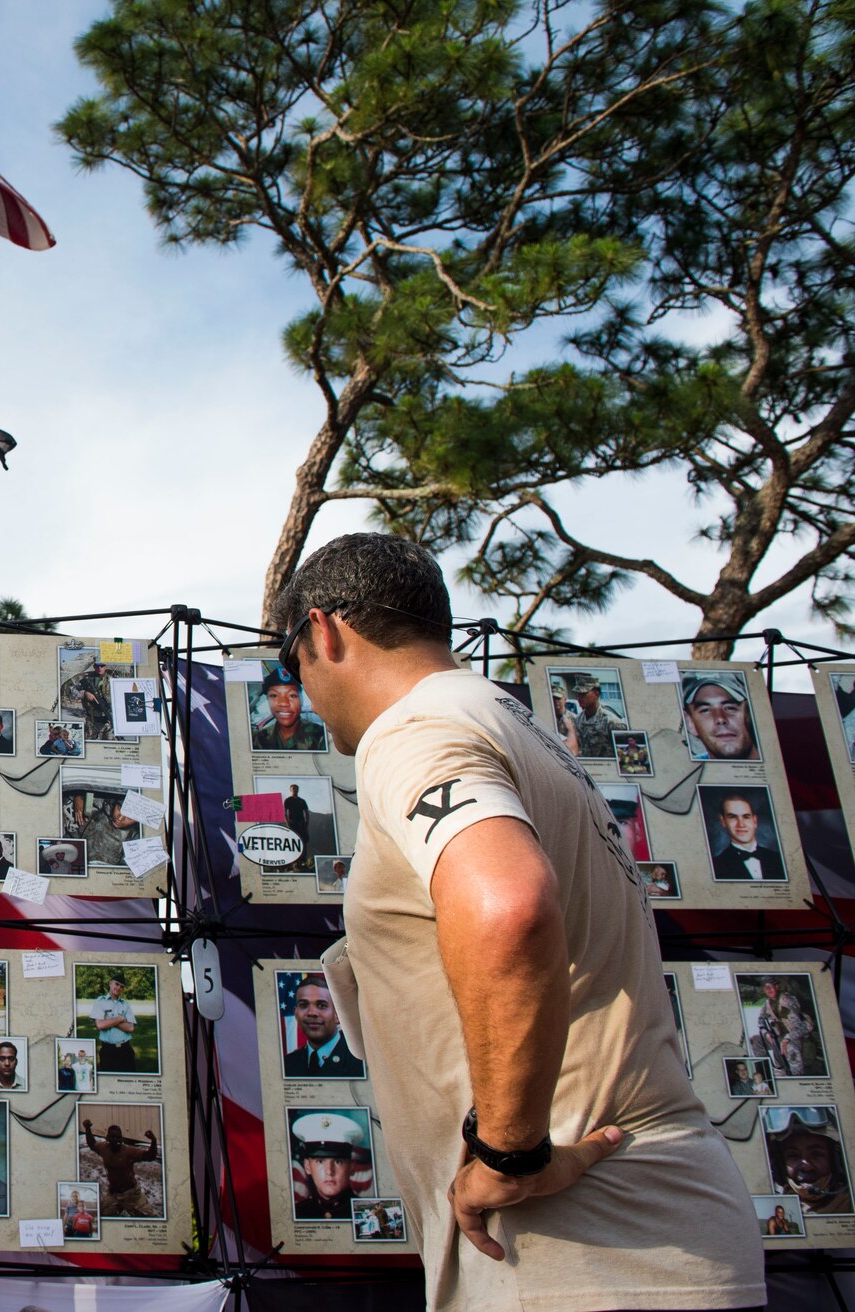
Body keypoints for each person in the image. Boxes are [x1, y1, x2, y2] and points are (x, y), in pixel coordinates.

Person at [272, 531, 761, 1309]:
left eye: (285, 663)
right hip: (647, 1227)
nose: (295, 682)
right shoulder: (512, 722)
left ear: (322, 632)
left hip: (577, 1249)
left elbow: (509, 906)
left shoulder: (415, 730)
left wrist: (510, 1151)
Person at [766, 1107, 851, 1215]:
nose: (806, 1167)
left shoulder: (849, 1204)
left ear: (836, 1160)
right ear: (780, 1164)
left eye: (816, 1154)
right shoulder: (774, 1208)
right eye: (793, 1155)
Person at [283, 974, 364, 1078]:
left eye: (322, 1005)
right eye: (304, 1005)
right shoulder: (288, 1064)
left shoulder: (360, 1061)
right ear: (296, 1014)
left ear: (338, 1015)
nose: (312, 1012)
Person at [290, 1111, 365, 1220]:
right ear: (307, 1166)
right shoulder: (297, 1213)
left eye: (338, 1161)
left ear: (351, 1167)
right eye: (320, 1161)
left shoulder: (368, 1214)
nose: (329, 1171)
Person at [82, 1120, 159, 1217]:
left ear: (122, 1139)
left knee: (149, 1218)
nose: (116, 1140)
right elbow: (92, 1144)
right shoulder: (103, 1148)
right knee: (101, 1215)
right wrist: (88, 1129)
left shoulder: (129, 1151)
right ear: (107, 1138)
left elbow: (150, 1156)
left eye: (118, 1137)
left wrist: (154, 1141)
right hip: (114, 1194)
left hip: (132, 1194)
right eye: (113, 1137)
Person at [710, 791, 786, 882]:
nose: (741, 824)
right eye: (733, 817)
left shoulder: (780, 860)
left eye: (746, 817)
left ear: (754, 821)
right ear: (723, 821)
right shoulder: (715, 867)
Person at [683, 673, 759, 761]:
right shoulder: (683, 770)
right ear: (690, 723)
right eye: (705, 710)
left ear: (750, 713)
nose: (720, 719)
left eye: (730, 708)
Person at [252, 664, 328, 751]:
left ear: (301, 700)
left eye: (292, 695)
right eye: (274, 695)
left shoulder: (320, 737)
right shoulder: (260, 738)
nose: (284, 703)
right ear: (268, 700)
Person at [557, 672, 628, 759]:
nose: (579, 697)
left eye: (583, 694)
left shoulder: (612, 722)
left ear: (596, 694)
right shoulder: (578, 720)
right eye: (578, 694)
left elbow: (623, 754)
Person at [90, 972, 138, 1074]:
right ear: (110, 983)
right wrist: (121, 1019)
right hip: (108, 1051)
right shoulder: (100, 1002)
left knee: (129, 1081)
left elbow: (130, 1028)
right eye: (116, 984)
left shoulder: (126, 1005)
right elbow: (100, 1025)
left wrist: (109, 1020)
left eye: (122, 986)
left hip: (126, 1050)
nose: (118, 987)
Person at [82, 794, 138, 867]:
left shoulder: (135, 837)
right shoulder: (103, 805)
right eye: (120, 808)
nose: (120, 818)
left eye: (130, 817)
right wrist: (79, 798)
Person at [65, 658, 113, 740]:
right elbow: (69, 689)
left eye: (102, 666)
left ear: (106, 666)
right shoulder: (86, 678)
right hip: (91, 721)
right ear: (94, 666)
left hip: (109, 721)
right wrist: (84, 693)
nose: (99, 668)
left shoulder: (112, 680)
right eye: (97, 666)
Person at [282, 784, 314, 867]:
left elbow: (306, 812)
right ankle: (294, 861)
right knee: (293, 841)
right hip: (292, 824)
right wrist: (288, 823)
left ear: (298, 790)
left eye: (296, 788)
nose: (294, 790)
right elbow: (285, 813)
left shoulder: (302, 801)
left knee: (303, 841)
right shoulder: (288, 800)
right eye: (293, 789)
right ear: (290, 790)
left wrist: (307, 822)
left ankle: (303, 861)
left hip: (301, 823)